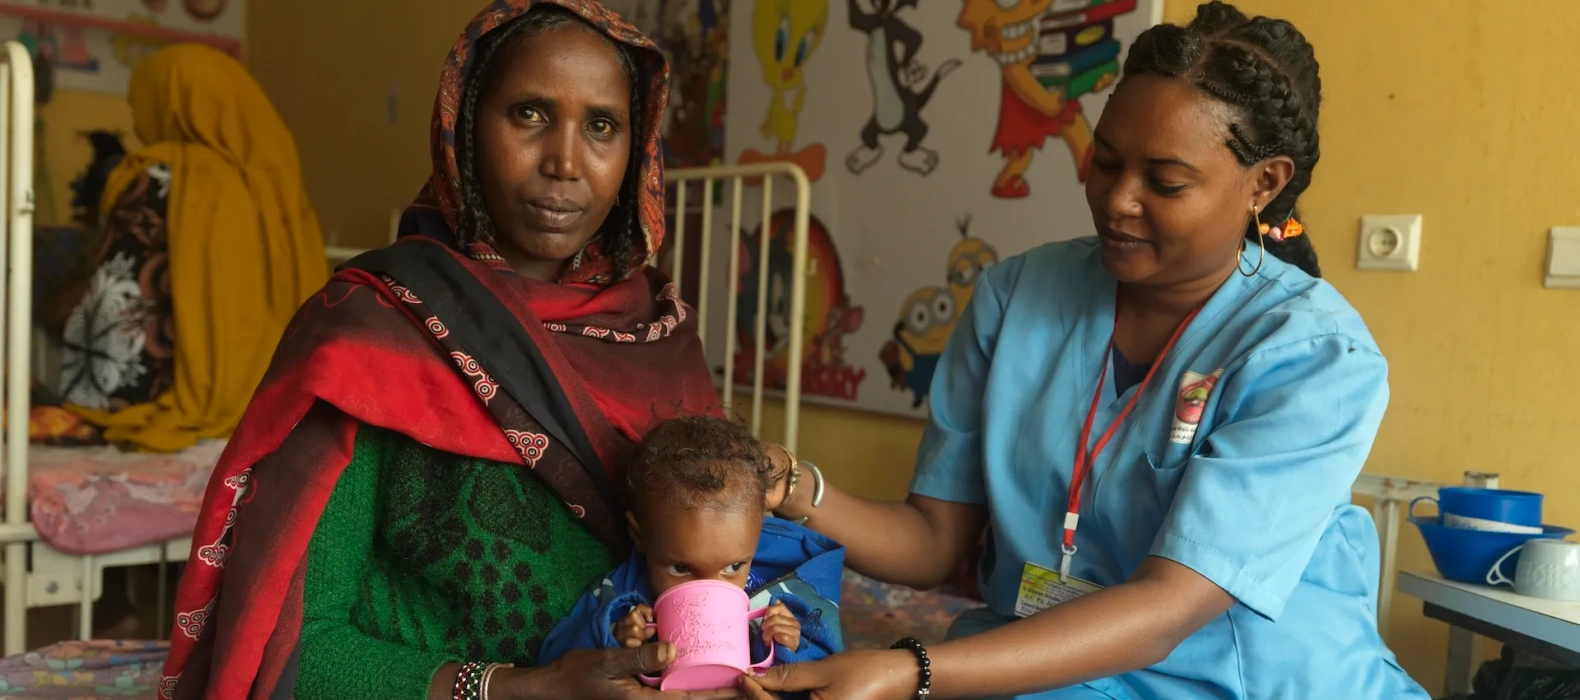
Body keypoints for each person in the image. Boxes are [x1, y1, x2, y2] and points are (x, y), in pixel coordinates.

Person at [742, 4, 1431, 699]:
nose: (1117, 200)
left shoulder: (1312, 353)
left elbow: (1165, 610)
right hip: (1037, 661)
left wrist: (911, 670)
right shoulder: (1017, 296)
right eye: (1103, 161)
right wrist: (789, 485)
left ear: (1265, 183)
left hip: (1238, 679)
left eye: (1164, 182)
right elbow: (933, 541)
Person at [159, 3, 787, 698]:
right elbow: (294, 649)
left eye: (602, 126)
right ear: (464, 128)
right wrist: (522, 689)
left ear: (636, 152)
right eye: (529, 114)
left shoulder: (663, 343)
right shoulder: (371, 336)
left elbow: (721, 572)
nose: (565, 161)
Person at [58, 44, 328, 453]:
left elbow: (115, 299)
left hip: (151, 390)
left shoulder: (158, 174)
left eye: (140, 104)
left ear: (170, 103)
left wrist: (90, 398)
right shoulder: (278, 188)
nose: (136, 119)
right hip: (281, 400)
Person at [538, 416, 843, 670]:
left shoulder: (787, 582)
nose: (708, 590)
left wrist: (794, 645)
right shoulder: (622, 592)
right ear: (640, 535)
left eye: (734, 566)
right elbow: (554, 660)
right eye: (681, 568)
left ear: (757, 532)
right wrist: (613, 637)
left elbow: (829, 668)